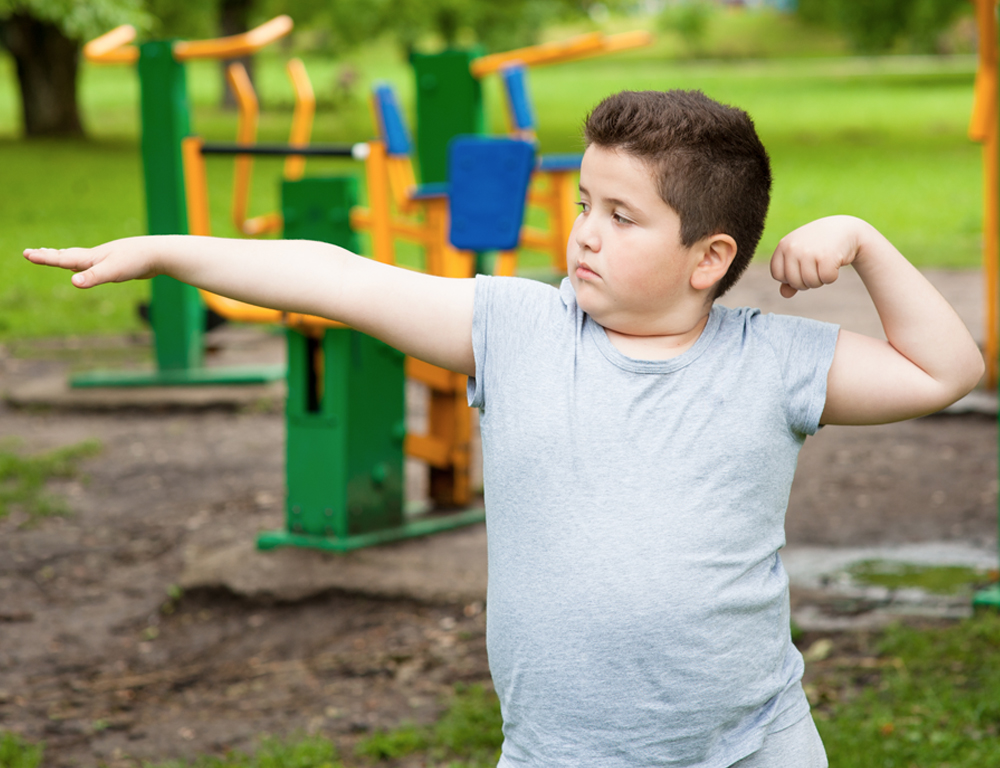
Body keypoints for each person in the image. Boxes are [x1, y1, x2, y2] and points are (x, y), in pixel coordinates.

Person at [24, 89, 983, 768]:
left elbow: (946, 369)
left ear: (710, 258)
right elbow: (337, 277)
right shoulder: (518, 331)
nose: (586, 235)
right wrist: (163, 252)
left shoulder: (772, 360)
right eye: (583, 206)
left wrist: (862, 239)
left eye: (622, 215)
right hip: (563, 752)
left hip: (755, 743)